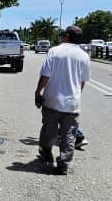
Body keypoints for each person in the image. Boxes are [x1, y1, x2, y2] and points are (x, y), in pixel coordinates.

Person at [35, 25, 90, 174]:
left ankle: (46, 152)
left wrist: (38, 92)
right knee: (69, 135)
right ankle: (64, 163)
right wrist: (77, 95)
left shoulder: (54, 51)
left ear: (66, 36)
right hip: (72, 103)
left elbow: (45, 75)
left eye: (62, 35)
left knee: (49, 130)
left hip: (52, 100)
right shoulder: (84, 55)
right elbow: (83, 81)